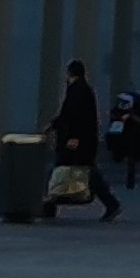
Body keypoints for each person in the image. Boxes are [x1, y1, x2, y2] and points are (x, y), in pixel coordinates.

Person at [46, 60, 119, 222]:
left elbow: (74, 116)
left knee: (61, 171)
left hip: (76, 142)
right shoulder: (82, 89)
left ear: (70, 73)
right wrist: (53, 125)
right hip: (83, 141)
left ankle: (49, 206)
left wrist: (72, 136)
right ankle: (111, 204)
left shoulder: (77, 91)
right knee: (84, 172)